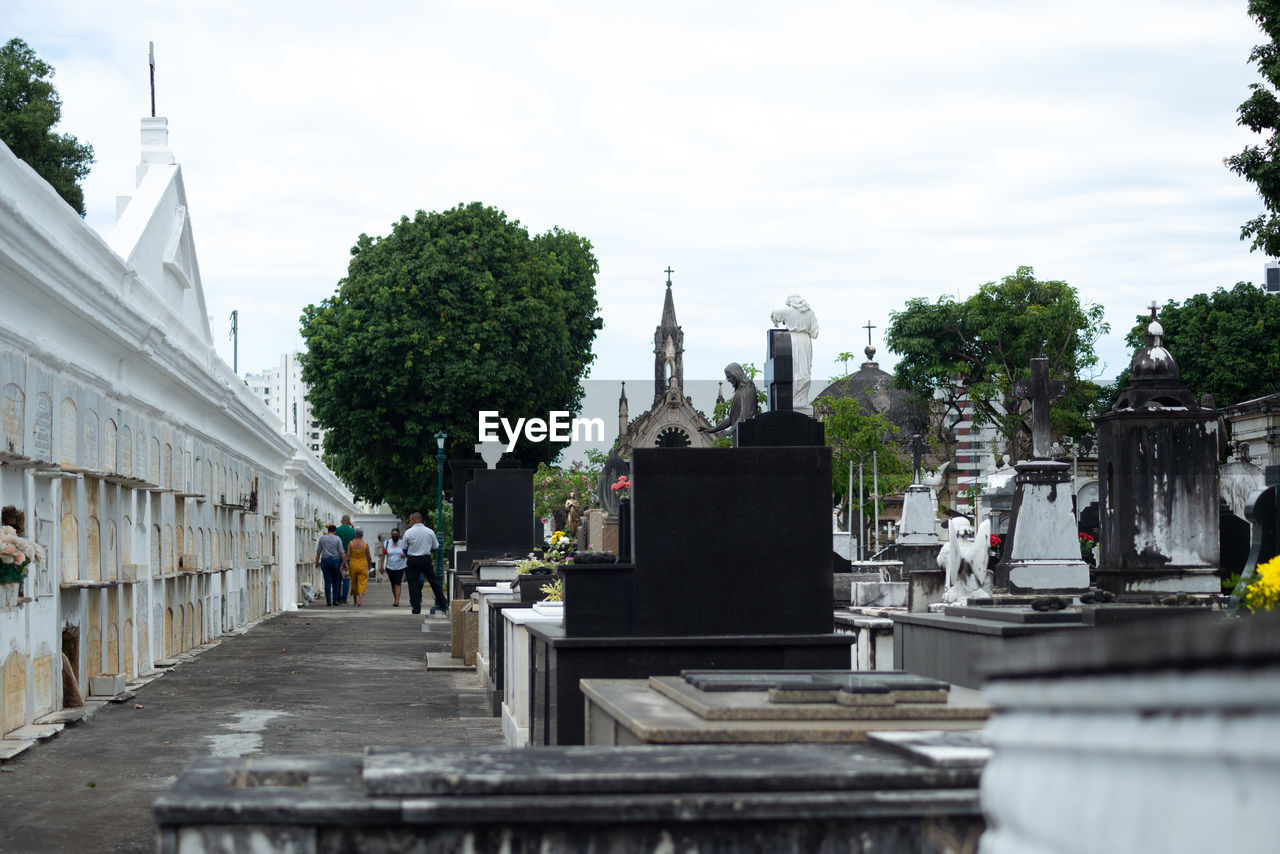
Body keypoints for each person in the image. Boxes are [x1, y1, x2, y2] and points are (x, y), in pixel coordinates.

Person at [770, 294, 820, 415]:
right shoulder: (810, 313)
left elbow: (774, 313)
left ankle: (793, 400)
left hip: (790, 340)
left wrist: (777, 322)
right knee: (804, 371)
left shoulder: (787, 311)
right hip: (804, 341)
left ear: (791, 302)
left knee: (793, 370)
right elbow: (815, 333)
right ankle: (800, 401)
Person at [402, 511, 446, 615]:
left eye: (410, 520)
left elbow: (404, 548)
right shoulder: (429, 532)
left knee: (413, 584)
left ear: (413, 520)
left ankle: (416, 607)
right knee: (433, 581)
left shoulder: (408, 532)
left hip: (412, 559)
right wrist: (426, 549)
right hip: (426, 558)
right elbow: (436, 547)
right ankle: (443, 603)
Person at [700, 363, 760, 437]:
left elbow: (745, 416)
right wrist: (713, 429)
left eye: (729, 377)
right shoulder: (739, 391)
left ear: (736, 375)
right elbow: (731, 419)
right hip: (738, 435)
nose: (728, 380)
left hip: (746, 435)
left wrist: (729, 431)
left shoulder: (747, 389)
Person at [314, 524, 344, 607]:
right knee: (336, 581)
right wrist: (344, 563)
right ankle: (335, 600)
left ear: (328, 530)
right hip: (335, 560)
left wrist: (317, 562)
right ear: (334, 531)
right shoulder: (338, 539)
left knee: (327, 582)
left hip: (325, 560)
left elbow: (318, 551)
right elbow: (341, 552)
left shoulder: (322, 538)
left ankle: (328, 602)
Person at [345, 527, 373, 607]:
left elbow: (347, 555)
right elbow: (369, 556)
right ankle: (359, 600)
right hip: (362, 565)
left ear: (355, 534)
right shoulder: (365, 544)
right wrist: (370, 566)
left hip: (353, 564)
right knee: (362, 583)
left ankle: (354, 602)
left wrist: (343, 564)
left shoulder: (351, 543)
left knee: (354, 583)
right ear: (362, 535)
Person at [380, 528, 408, 607]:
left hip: (400, 566)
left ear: (399, 535)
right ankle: (396, 598)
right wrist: (381, 566)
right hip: (390, 566)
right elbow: (383, 555)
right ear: (391, 535)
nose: (394, 537)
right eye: (393, 535)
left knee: (397, 583)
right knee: (393, 584)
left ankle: (397, 600)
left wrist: (405, 555)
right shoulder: (387, 543)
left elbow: (408, 552)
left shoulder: (403, 543)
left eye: (396, 535)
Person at [334, 514, 356, 604]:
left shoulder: (337, 530)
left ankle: (337, 597)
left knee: (338, 577)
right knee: (346, 577)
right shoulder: (352, 531)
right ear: (349, 521)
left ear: (342, 521)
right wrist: (352, 527)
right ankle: (344, 598)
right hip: (349, 556)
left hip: (338, 555)